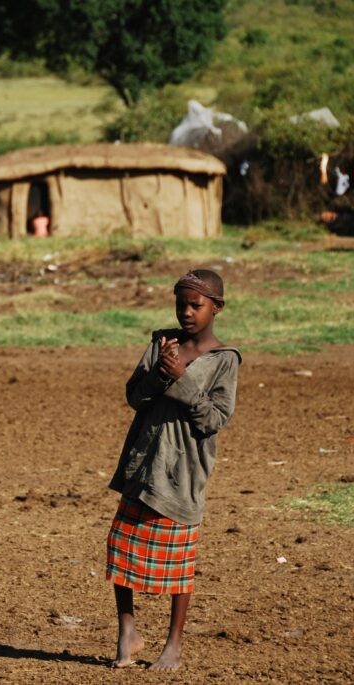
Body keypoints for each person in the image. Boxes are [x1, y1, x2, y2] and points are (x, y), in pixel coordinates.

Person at [106, 268, 241, 670]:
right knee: (121, 548)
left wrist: (182, 381)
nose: (186, 312)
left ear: (216, 308)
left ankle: (174, 645)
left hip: (184, 470)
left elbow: (214, 419)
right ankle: (127, 632)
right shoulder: (161, 343)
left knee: (178, 559)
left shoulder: (224, 360)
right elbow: (134, 396)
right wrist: (156, 377)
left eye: (196, 305)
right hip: (145, 461)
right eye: (181, 303)